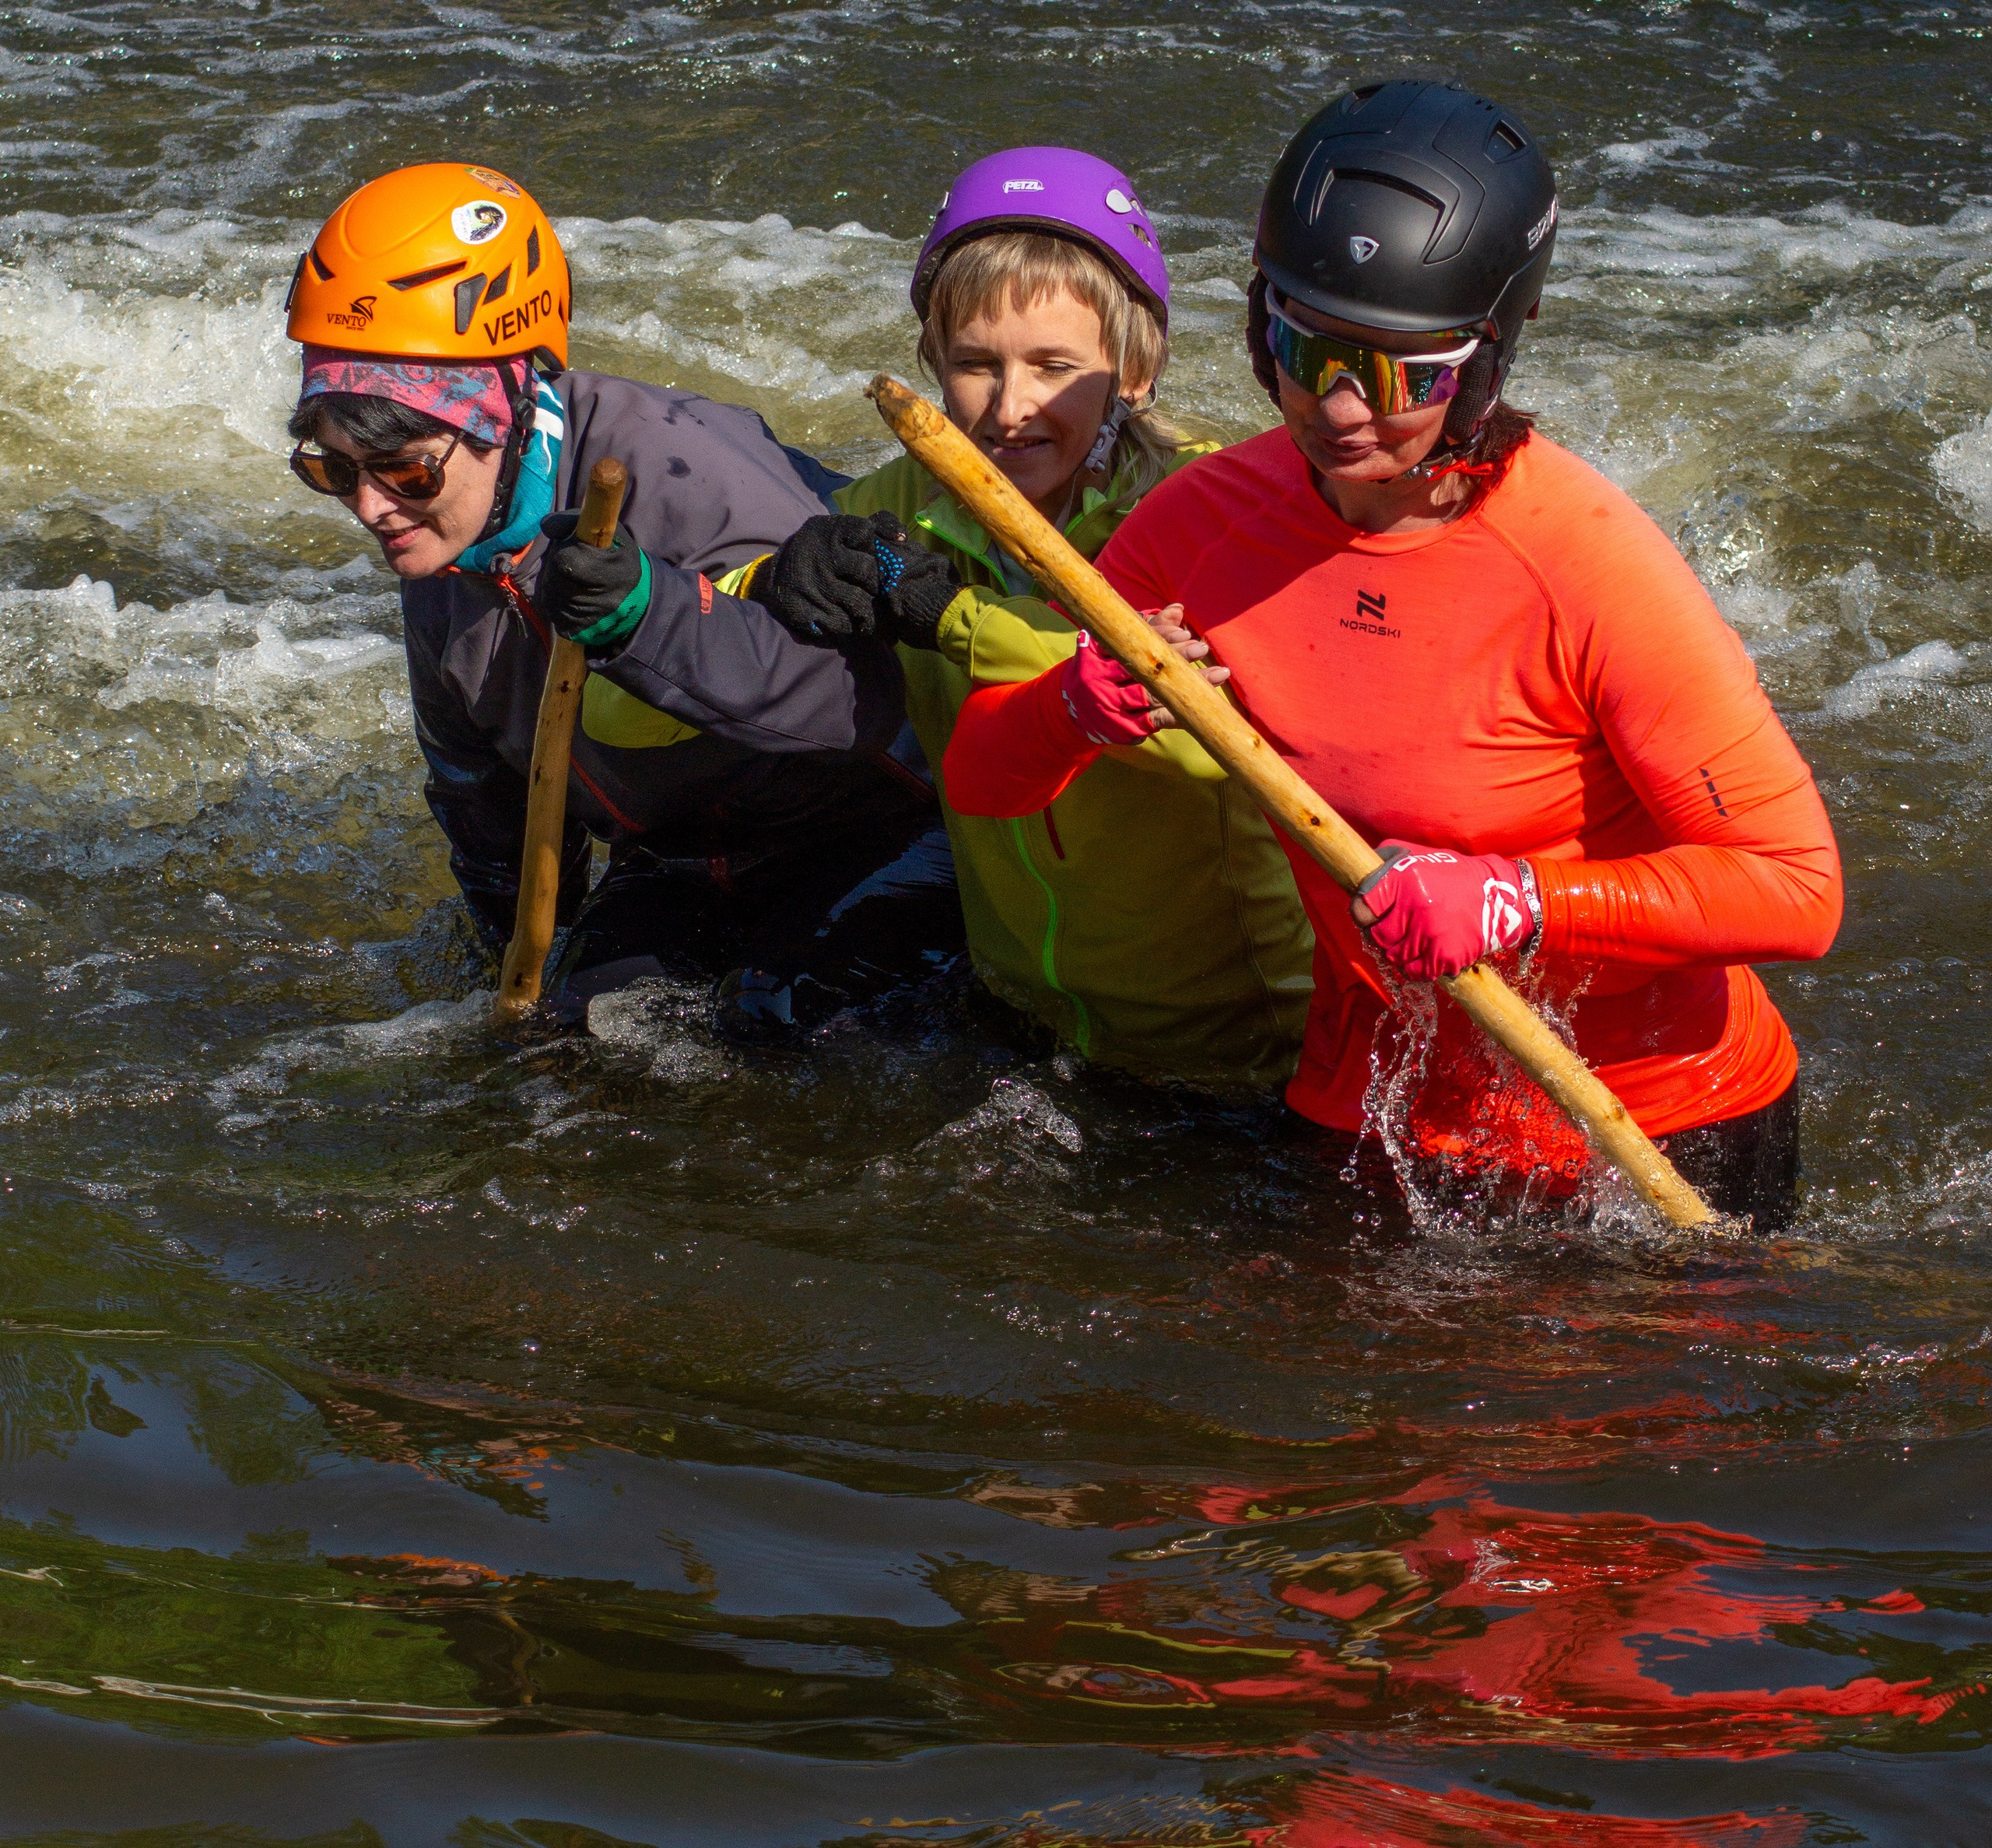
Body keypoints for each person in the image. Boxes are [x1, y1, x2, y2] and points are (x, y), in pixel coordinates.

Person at [942, 82, 1843, 1227]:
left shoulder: (1588, 565)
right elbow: (983, 781)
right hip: (1368, 1108)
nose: (1335, 406)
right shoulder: (1200, 526)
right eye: (1300, 343)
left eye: (1399, 373)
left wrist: (1518, 902)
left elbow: (1796, 889)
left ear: (1482, 366)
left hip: (1654, 1134)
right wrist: (1072, 708)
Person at [283, 160, 943, 1012]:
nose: (370, 506)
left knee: (779, 1021)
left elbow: (851, 706)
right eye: (331, 467)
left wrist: (645, 615)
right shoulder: (443, 552)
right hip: (672, 858)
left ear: (506, 411)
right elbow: (487, 808)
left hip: (873, 827)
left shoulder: (685, 467)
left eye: (405, 468)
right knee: (580, 1040)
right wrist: (507, 976)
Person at [746, 145, 1312, 1083]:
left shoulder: (1217, 505)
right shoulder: (896, 509)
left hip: (1238, 1047)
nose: (1009, 408)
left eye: (1055, 366)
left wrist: (949, 614)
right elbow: (668, 670)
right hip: (1022, 1026)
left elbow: (1205, 719)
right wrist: (765, 583)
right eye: (973, 364)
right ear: (931, 357)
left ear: (1134, 365)